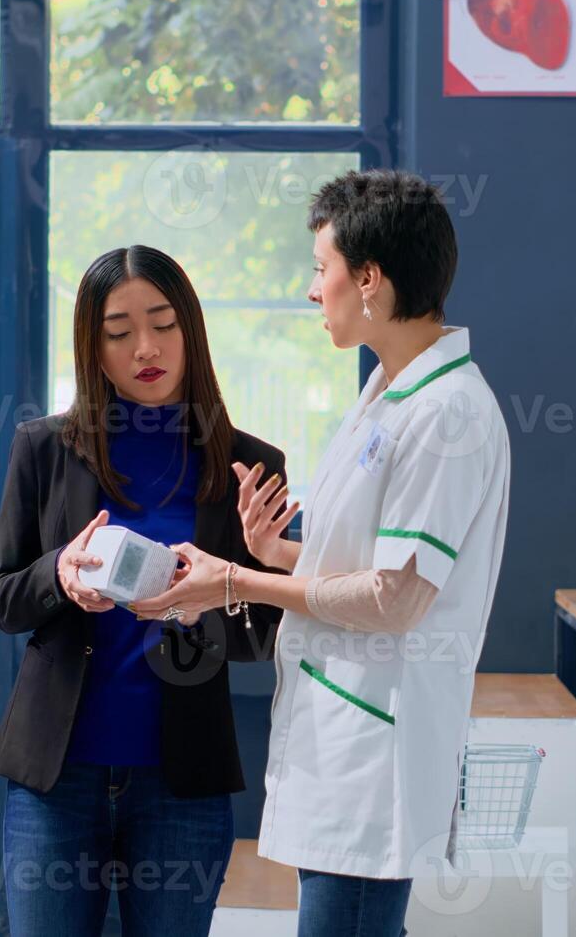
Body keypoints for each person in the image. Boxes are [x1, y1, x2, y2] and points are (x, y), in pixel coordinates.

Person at [134, 170, 512, 937]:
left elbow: (396, 599)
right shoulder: (390, 391)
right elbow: (371, 566)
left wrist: (236, 580)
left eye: (320, 268)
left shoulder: (447, 415)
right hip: (344, 742)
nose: (313, 291)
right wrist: (280, 551)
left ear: (368, 279)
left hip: (376, 755)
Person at [0, 244, 286, 936]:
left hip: (181, 783)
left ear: (192, 330)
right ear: (93, 348)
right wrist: (59, 573)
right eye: (118, 332)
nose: (145, 347)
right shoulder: (44, 449)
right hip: (56, 780)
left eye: (163, 323)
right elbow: (2, 598)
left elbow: (264, 631)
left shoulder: (252, 465)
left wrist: (199, 598)